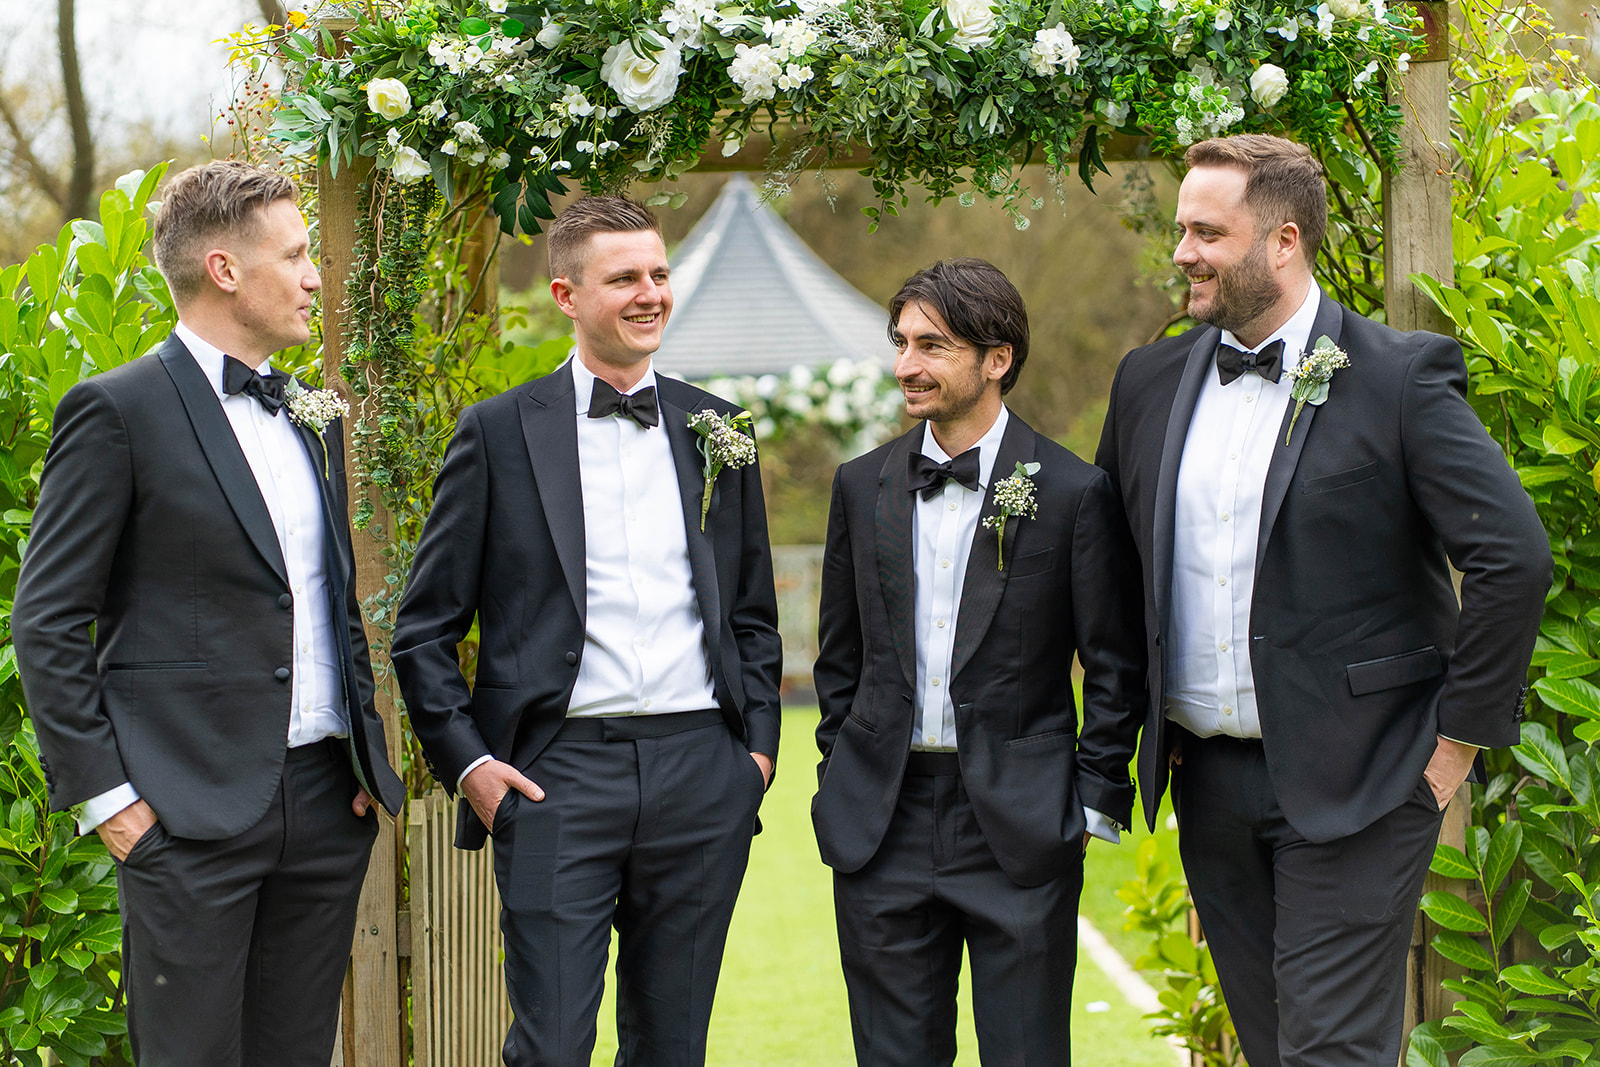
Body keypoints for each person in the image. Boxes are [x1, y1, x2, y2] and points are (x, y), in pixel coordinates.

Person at [1095, 134, 1552, 1067]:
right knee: (1274, 1051)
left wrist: (1455, 745)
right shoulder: (1146, 382)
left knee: (1331, 1054)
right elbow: (1107, 568)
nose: (1182, 250)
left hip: (1365, 779)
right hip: (1209, 785)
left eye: (1206, 232)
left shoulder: (1397, 376)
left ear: (1284, 240)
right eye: (1182, 229)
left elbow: (1511, 555)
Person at [11, 160, 405, 1066]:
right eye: (297, 255)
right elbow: (47, 620)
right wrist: (112, 801)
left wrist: (360, 753)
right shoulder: (116, 411)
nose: (316, 276)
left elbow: (327, 595)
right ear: (225, 269)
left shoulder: (316, 414)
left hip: (322, 801)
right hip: (182, 816)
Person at [391, 195, 782, 1067]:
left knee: (673, 1046)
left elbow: (752, 609)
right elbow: (423, 629)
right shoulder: (495, 434)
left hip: (700, 774)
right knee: (552, 1046)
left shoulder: (720, 430)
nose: (650, 294)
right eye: (624, 279)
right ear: (566, 295)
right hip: (555, 777)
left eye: (658, 274)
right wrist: (474, 767)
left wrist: (752, 753)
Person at [812, 258, 1146, 1066]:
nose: (905, 366)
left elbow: (1113, 661)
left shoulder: (1073, 490)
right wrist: (841, 767)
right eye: (900, 343)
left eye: (931, 345)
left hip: (1021, 828)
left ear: (997, 359)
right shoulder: (861, 486)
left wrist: (1091, 800)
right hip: (880, 825)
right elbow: (838, 656)